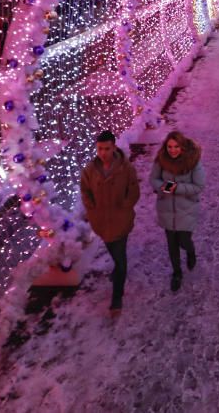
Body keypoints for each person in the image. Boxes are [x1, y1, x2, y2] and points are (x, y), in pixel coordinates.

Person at [80, 130, 140, 313]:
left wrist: (125, 205)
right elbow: (85, 191)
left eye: (106, 148)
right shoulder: (90, 170)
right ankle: (117, 272)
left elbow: (134, 191)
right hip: (102, 223)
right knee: (114, 253)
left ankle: (116, 298)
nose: (103, 153)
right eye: (99, 149)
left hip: (120, 221)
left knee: (121, 260)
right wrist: (93, 209)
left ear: (114, 147)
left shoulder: (126, 168)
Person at [149, 131, 206, 293]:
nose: (172, 150)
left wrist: (178, 188)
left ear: (182, 147)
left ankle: (190, 251)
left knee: (184, 241)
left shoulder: (192, 162)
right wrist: (166, 187)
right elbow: (153, 179)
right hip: (167, 209)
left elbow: (199, 186)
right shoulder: (161, 160)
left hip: (186, 210)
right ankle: (177, 273)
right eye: (169, 147)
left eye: (176, 147)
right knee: (171, 244)